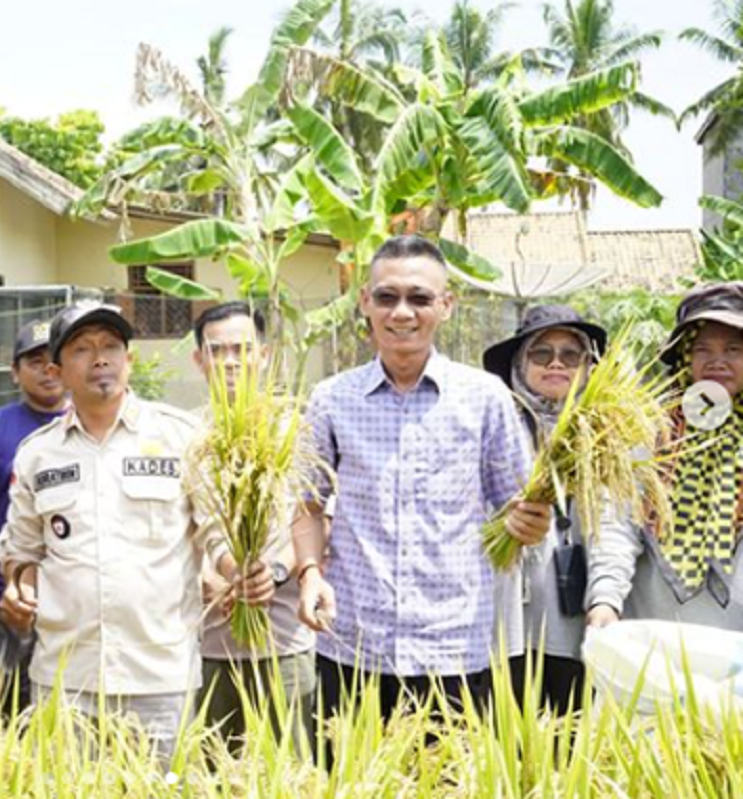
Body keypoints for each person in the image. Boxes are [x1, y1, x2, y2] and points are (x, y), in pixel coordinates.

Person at [293, 235, 551, 725]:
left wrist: (531, 521)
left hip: (455, 648)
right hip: (353, 646)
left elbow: (517, 511)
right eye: (387, 297)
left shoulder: (485, 398)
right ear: (365, 302)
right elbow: (307, 504)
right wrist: (309, 574)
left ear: (446, 306)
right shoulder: (331, 399)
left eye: (420, 298)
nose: (402, 313)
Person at [0, 302, 211, 761]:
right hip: (65, 680)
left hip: (159, 680)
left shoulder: (182, 438)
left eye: (111, 346)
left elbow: (217, 535)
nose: (100, 358)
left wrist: (241, 568)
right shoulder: (38, 455)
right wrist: (18, 587)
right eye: (82, 348)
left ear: (129, 360)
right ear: (57, 370)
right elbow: (21, 552)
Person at [191, 301, 315, 748]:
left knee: (290, 771)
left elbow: (312, 518)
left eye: (242, 349)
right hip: (209, 642)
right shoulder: (188, 436)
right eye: (217, 350)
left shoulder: (295, 429)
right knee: (212, 774)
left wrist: (274, 572)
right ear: (199, 360)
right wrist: (215, 579)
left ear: (263, 355)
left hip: (282, 639)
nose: (229, 362)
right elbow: (181, 530)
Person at [588, 283, 743, 630]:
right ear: (685, 356)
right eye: (702, 349)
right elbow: (616, 521)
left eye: (733, 349)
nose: (717, 361)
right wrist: (605, 599)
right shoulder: (647, 431)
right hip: (655, 634)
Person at [482, 305, 608, 713]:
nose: (556, 363)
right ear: (520, 363)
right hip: (503, 618)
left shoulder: (608, 433)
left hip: (576, 621)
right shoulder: (493, 425)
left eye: (571, 355)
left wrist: (606, 599)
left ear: (590, 366)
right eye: (541, 353)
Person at [0, 319, 66, 713]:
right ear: (15, 371)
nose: (46, 370)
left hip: (74, 608)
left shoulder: (88, 426)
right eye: (34, 361)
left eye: (52, 360)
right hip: (7, 605)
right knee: (4, 712)